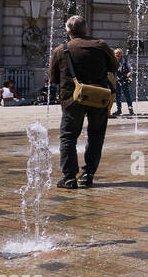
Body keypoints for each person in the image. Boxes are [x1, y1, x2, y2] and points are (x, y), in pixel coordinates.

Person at [48, 16, 119, 189]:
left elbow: (53, 77)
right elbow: (114, 67)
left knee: (68, 137)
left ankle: (69, 177)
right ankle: (88, 175)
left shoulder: (61, 50)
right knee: (96, 136)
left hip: (73, 98)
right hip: (98, 96)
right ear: (86, 29)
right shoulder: (101, 45)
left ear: (68, 31)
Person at [112, 47, 135, 117]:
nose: (118, 55)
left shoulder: (125, 61)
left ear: (121, 54)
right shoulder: (113, 61)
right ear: (114, 54)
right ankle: (119, 109)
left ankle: (130, 107)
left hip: (124, 78)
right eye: (116, 53)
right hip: (116, 79)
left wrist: (130, 73)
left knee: (127, 93)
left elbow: (130, 69)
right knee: (117, 95)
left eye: (119, 53)